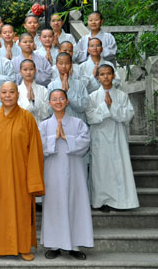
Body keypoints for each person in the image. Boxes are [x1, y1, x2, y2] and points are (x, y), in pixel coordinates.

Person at [0, 81, 44, 260]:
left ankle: (24, 246)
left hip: (21, 174)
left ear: (18, 95)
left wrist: (33, 178)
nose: (8, 95)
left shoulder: (27, 118)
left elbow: (35, 149)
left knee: (22, 211)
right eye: (4, 92)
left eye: (12, 92)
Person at [39, 89, 93, 260]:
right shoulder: (44, 125)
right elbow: (38, 148)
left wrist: (66, 137)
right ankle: (54, 245)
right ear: (49, 103)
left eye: (61, 98)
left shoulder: (78, 123)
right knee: (54, 205)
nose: (58, 101)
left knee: (75, 204)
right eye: (54, 99)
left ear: (67, 101)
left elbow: (85, 143)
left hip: (74, 172)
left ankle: (75, 245)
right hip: (52, 172)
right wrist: (53, 138)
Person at [86, 64, 139, 212]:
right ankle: (102, 201)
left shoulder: (122, 95)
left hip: (118, 137)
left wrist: (112, 107)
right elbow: (90, 117)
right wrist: (104, 107)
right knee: (101, 169)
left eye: (108, 74)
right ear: (97, 77)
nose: (106, 77)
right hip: (100, 137)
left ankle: (122, 201)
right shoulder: (92, 97)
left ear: (113, 76)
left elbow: (128, 115)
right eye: (102, 74)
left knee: (118, 167)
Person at [48, 53, 89, 122]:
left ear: (71, 65)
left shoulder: (79, 84)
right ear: (56, 65)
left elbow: (84, 106)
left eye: (67, 63)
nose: (64, 66)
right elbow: (49, 110)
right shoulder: (52, 86)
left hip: (78, 123)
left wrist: (69, 91)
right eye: (61, 63)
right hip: (59, 123)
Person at [18, 59, 50, 125]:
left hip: (39, 126)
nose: (28, 72)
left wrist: (35, 100)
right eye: (25, 70)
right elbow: (15, 111)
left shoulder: (43, 89)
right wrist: (27, 101)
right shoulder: (16, 90)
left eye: (31, 69)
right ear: (20, 72)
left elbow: (47, 112)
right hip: (21, 125)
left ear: (35, 71)